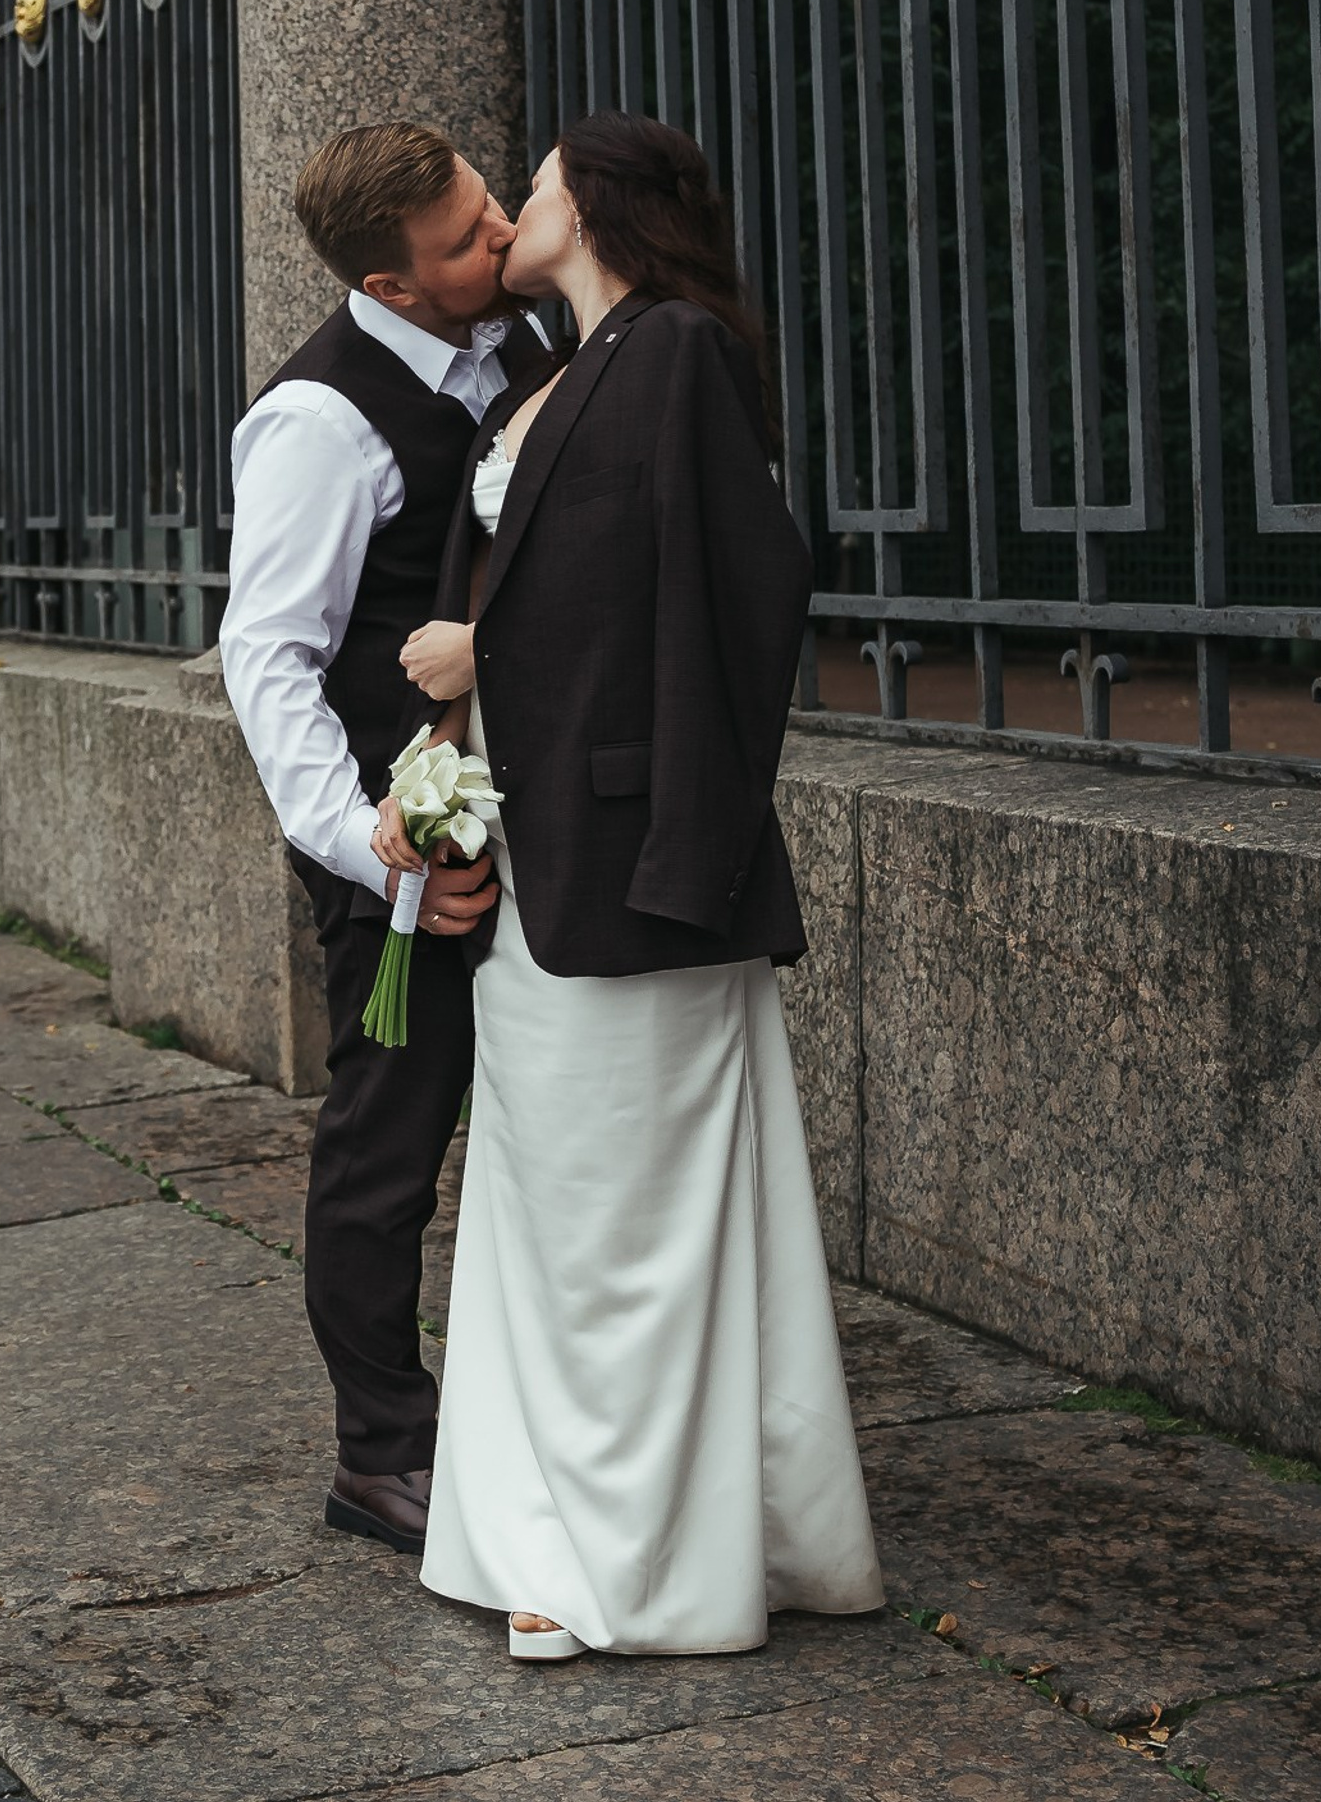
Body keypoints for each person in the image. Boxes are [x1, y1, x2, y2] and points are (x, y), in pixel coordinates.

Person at [380, 113, 881, 1661]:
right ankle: (557, 1527)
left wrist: (489, 664)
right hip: (545, 865)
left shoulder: (676, 352)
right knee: (550, 1211)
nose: (510, 206)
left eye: (527, 185)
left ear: (593, 202)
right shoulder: (559, 375)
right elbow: (575, 597)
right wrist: (440, 778)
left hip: (643, 870)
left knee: (625, 1229)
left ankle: (626, 1575)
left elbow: (742, 596)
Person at [217, 123, 549, 1560]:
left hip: (543, 818)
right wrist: (373, 847)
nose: (501, 243)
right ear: (391, 285)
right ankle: (380, 1452)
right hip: (406, 845)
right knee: (388, 1145)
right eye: (469, 241)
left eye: (492, 209)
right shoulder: (319, 422)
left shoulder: (527, 332)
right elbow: (268, 657)